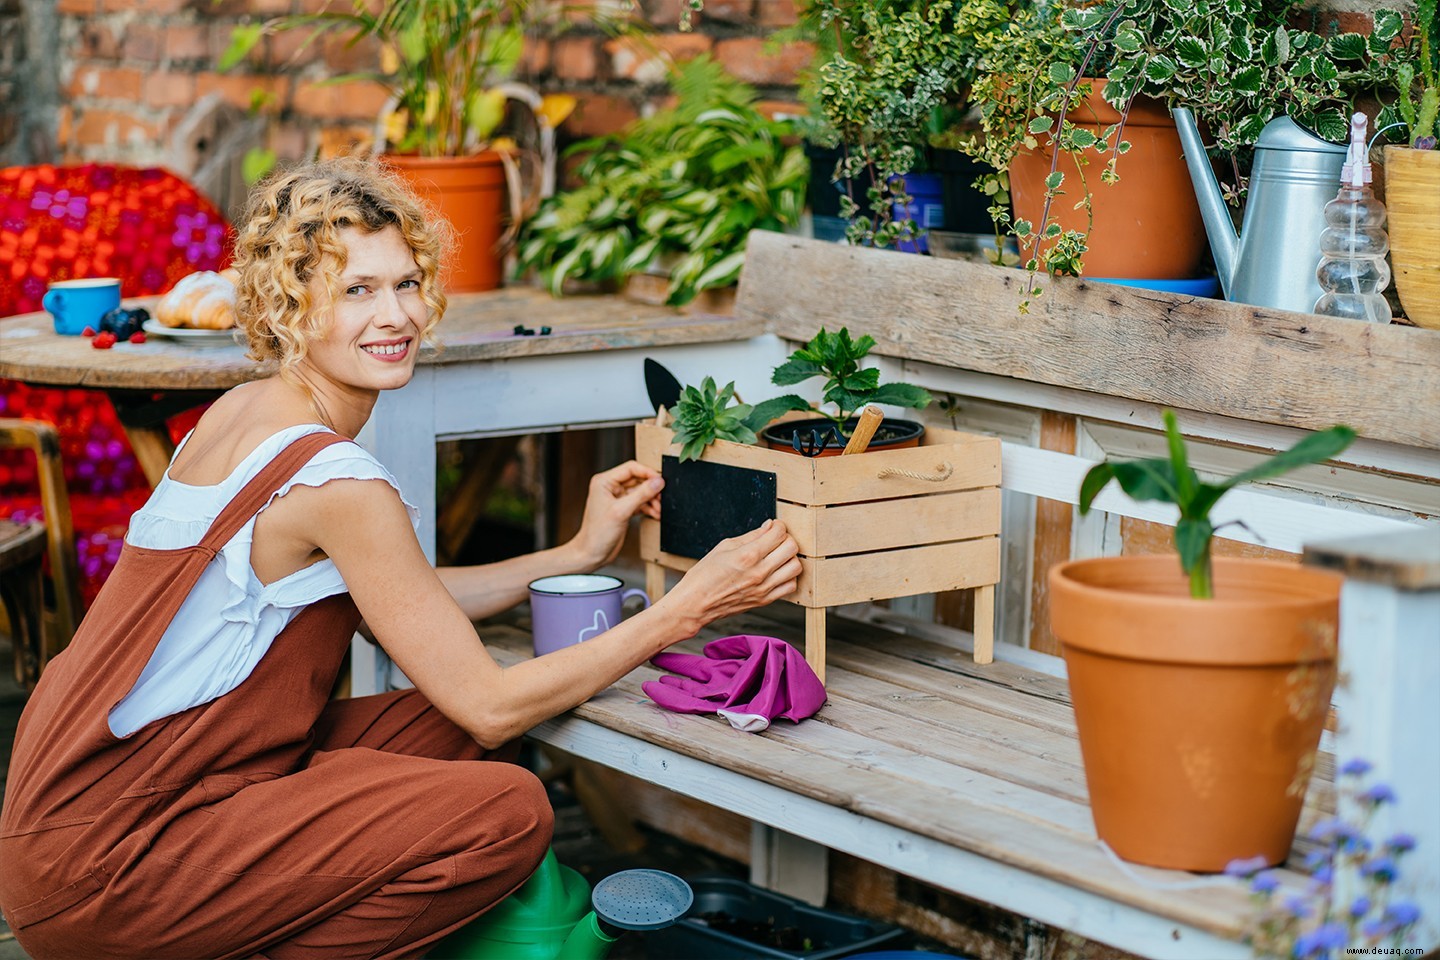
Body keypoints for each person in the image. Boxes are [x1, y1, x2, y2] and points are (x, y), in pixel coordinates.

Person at [0, 158, 801, 960]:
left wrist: (578, 551)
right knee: (509, 810)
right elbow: (491, 701)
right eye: (356, 291)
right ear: (290, 308)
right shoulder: (336, 480)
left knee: (448, 730)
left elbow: (401, 598)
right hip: (113, 860)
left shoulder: (240, 411)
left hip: (76, 817)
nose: (396, 316)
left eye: (407, 284)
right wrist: (685, 607)